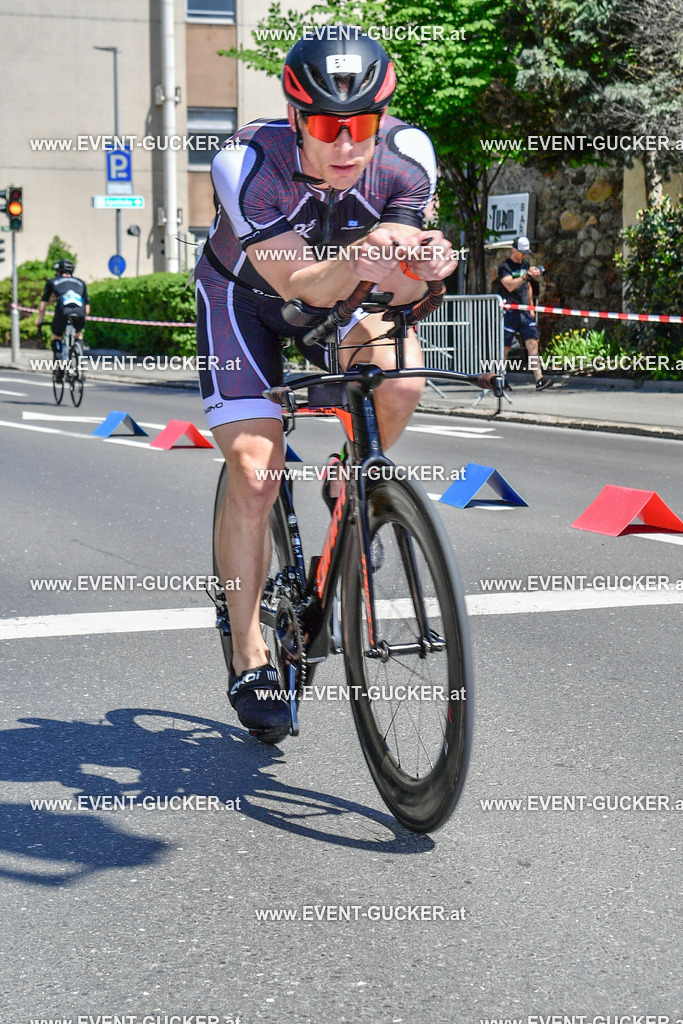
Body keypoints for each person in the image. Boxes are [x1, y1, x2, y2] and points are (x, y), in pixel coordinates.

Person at [195, 28, 459, 741]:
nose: (345, 144)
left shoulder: (407, 161)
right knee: (255, 471)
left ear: (382, 118)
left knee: (399, 376)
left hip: (342, 298)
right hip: (247, 304)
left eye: (361, 126)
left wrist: (427, 267)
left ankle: (352, 490)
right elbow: (301, 286)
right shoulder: (246, 163)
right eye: (324, 126)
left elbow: (395, 289)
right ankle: (250, 652)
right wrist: (365, 255)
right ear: (294, 118)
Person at [495, 237, 552, 391]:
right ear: (514, 250)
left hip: (524, 310)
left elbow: (528, 287)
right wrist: (525, 276)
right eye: (521, 253)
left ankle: (539, 379)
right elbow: (509, 285)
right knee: (505, 347)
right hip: (509, 311)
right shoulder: (504, 267)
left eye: (525, 253)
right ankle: (501, 379)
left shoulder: (525, 265)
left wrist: (531, 307)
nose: (523, 256)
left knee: (533, 343)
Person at [36, 259, 90, 374]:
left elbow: (42, 306)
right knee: (78, 335)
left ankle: (60, 365)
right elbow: (87, 309)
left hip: (63, 310)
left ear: (58, 271)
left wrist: (40, 320)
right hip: (80, 311)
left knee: (56, 336)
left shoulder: (52, 282)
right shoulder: (81, 282)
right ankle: (79, 365)